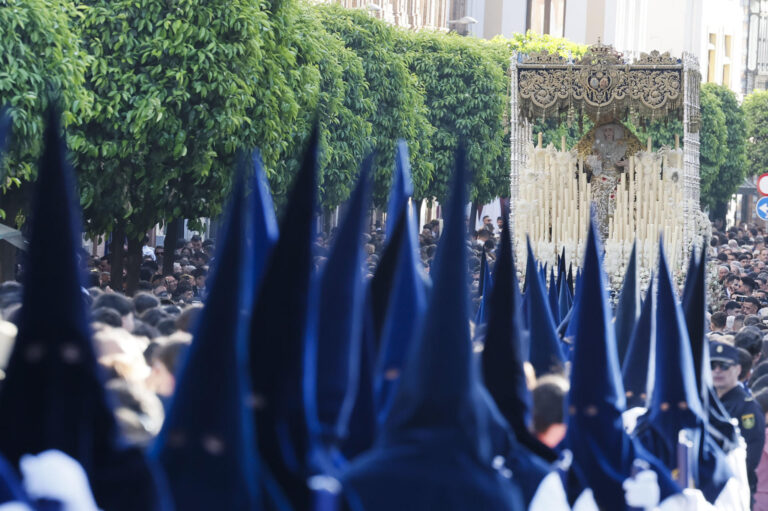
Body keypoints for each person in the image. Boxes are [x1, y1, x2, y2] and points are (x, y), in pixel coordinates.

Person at [711, 341, 766, 498]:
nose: (717, 371)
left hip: (734, 490)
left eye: (724, 365)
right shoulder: (709, 404)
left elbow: (751, 457)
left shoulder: (747, 408)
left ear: (738, 369)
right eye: (712, 365)